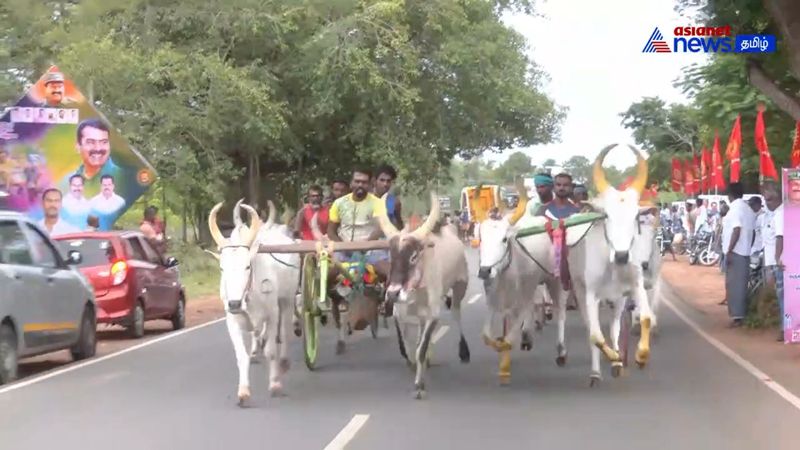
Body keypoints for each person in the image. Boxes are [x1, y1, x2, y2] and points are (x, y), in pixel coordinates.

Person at [327, 168, 388, 278]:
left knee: (387, 270)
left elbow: (380, 227)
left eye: (364, 182)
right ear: (351, 183)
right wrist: (342, 246)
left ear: (370, 184)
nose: (360, 185)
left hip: (370, 249)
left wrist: (365, 246)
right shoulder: (339, 203)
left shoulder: (377, 203)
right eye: (357, 181)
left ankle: (392, 293)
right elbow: (331, 230)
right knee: (326, 273)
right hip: (343, 249)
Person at [722, 182, 756, 328]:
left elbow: (736, 229)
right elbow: (753, 232)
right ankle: (740, 315)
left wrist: (729, 250)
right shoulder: (747, 208)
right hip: (745, 251)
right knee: (740, 284)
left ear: (730, 195)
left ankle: (738, 317)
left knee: (734, 285)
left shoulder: (735, 209)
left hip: (736, 252)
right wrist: (748, 246)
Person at [761, 181, 785, 341]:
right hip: (777, 261)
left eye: (768, 200)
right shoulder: (776, 213)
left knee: (782, 294)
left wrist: (777, 259)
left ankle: (785, 329)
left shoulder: (780, 213)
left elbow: (780, 237)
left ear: (777, 198)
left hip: (781, 263)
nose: (766, 203)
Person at [374, 164, 404, 230]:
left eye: (388, 181)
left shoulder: (395, 202)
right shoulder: (366, 198)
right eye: (382, 180)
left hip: (385, 239)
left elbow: (399, 224)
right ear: (375, 181)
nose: (385, 184)